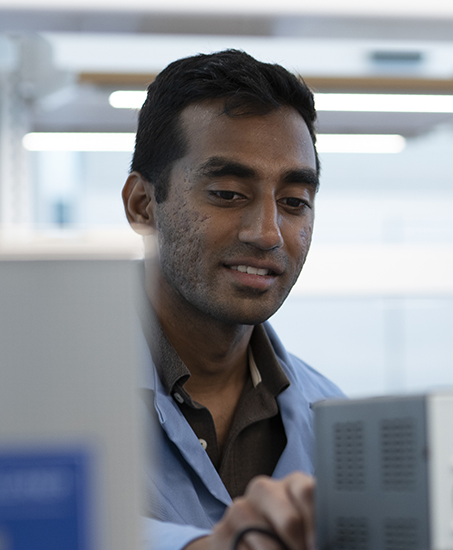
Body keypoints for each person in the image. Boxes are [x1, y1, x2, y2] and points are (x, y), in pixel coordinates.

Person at [121, 50, 343, 550]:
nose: (268, 233)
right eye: (227, 193)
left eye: (294, 203)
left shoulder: (336, 419)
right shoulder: (40, 393)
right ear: (142, 206)